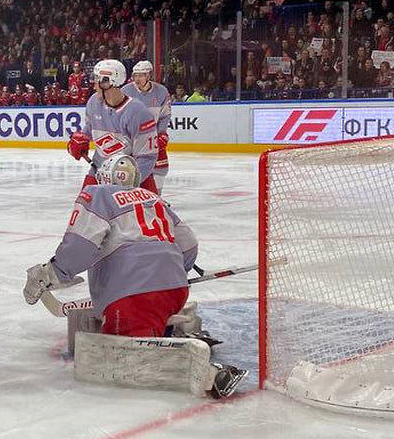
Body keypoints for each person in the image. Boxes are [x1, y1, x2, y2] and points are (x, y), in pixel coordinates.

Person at [22, 154, 245, 398]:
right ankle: (169, 330)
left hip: (133, 296)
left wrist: (50, 273)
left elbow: (79, 246)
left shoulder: (98, 194)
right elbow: (189, 244)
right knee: (149, 316)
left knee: (127, 355)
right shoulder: (154, 199)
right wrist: (170, 274)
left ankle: (208, 373)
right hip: (175, 290)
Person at [66, 59, 158, 193]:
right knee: (84, 208)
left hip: (132, 177)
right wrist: (80, 141)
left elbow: (147, 157)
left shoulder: (138, 112)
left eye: (97, 81)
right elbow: (90, 129)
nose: (94, 86)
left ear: (108, 82)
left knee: (148, 213)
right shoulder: (93, 103)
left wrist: (127, 183)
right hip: (99, 171)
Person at [121, 60, 171, 190]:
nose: (137, 79)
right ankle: (132, 193)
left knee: (161, 166)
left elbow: (165, 115)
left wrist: (162, 133)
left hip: (152, 136)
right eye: (135, 75)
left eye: (141, 75)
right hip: (133, 137)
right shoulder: (126, 91)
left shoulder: (161, 92)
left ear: (149, 76)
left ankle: (157, 195)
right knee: (130, 167)